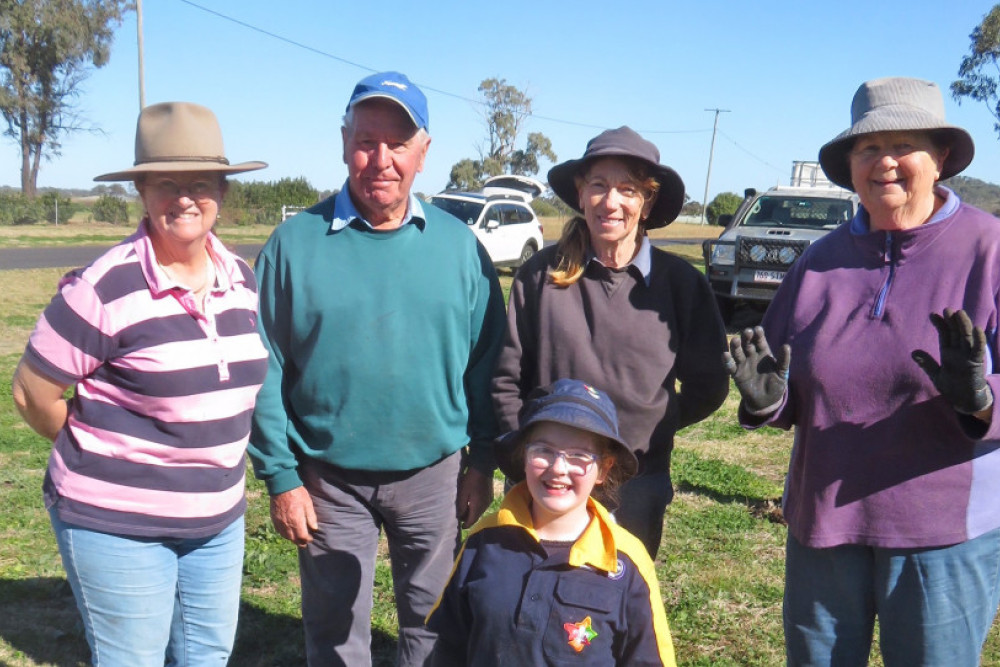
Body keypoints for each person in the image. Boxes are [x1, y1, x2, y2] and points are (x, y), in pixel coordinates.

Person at [724, 77, 1000, 666]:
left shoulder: (990, 249)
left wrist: (981, 398)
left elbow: (989, 400)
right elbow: (783, 384)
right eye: (868, 149)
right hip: (823, 523)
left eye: (904, 145)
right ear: (850, 163)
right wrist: (766, 402)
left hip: (941, 536)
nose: (885, 163)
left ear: (941, 157)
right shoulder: (820, 261)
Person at [248, 71, 506, 666]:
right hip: (327, 480)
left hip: (434, 476)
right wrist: (282, 478)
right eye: (366, 141)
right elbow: (263, 366)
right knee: (336, 631)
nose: (381, 160)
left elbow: (488, 363)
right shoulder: (293, 246)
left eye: (398, 144)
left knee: (435, 624)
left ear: (423, 152)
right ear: (344, 143)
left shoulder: (459, 248)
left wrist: (482, 461)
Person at [10, 101, 269, 665]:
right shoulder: (103, 286)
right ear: (142, 192)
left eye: (200, 182)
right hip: (117, 525)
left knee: (206, 658)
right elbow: (33, 392)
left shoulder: (242, 279)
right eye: (165, 183)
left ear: (223, 192)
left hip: (218, 521)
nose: (184, 197)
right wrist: (106, 453)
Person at [492, 126, 729, 557]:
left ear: (648, 200)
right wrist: (524, 456)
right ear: (580, 194)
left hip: (636, 482)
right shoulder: (539, 277)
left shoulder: (681, 286)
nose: (611, 201)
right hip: (548, 479)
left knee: (618, 607)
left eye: (628, 189)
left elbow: (709, 386)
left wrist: (650, 427)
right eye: (598, 186)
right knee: (535, 596)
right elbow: (506, 379)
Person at [426, 379, 677, 666]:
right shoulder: (484, 540)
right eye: (543, 450)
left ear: (603, 469)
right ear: (523, 456)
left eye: (579, 456)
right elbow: (450, 646)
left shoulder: (627, 561)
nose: (558, 468)